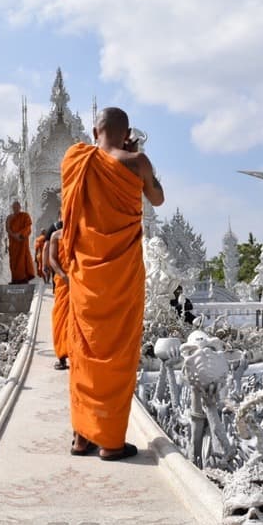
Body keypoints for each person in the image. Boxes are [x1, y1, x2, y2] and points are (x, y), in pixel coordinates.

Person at [61, 107, 164, 460]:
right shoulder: (137, 162)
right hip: (121, 274)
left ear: (94, 130)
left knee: (83, 352)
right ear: (126, 133)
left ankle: (81, 438)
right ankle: (111, 442)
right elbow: (158, 198)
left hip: (85, 276)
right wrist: (134, 153)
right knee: (118, 353)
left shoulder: (75, 159)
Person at [46, 227, 69, 370]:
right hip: (63, 281)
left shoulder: (81, 233)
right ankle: (61, 356)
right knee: (60, 317)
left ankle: (78, 355)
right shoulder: (56, 235)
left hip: (79, 280)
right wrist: (63, 275)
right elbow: (52, 259)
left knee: (79, 318)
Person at [5, 201, 35, 284]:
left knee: (22, 259)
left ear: (20, 207)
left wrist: (21, 235)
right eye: (14, 207)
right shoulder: (9, 217)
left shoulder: (25, 216)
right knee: (13, 261)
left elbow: (28, 227)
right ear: (12, 208)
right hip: (13, 242)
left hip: (22, 241)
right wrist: (14, 235)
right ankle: (15, 279)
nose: (16, 208)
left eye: (17, 206)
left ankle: (23, 278)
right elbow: (7, 228)